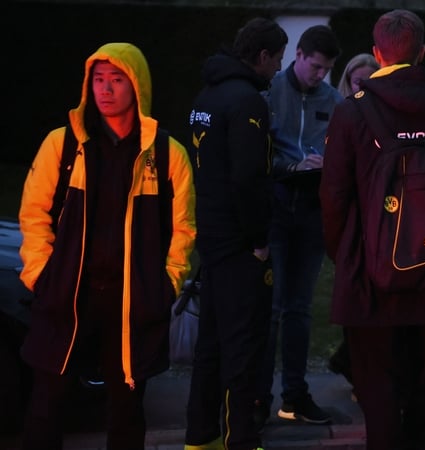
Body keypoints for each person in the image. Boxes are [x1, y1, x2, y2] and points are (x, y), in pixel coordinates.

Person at [319, 9, 425, 449]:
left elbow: (334, 199)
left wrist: (352, 257)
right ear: (421, 53)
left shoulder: (351, 114)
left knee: (377, 390)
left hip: (371, 282)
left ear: (377, 54)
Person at [17, 42, 196, 450]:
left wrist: (166, 284)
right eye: (98, 80)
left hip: (132, 303)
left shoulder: (168, 154)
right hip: (66, 295)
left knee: (127, 411)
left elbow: (184, 230)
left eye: (117, 80)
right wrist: (41, 275)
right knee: (46, 406)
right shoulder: (62, 146)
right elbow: (33, 213)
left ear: (137, 87)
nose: (106, 90)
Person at [184, 17, 287, 450]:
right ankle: (240, 439)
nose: (278, 70)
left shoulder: (208, 93)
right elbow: (248, 177)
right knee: (243, 345)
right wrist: (259, 240)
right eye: (278, 59)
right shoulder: (248, 101)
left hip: (210, 234)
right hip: (238, 241)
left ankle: (200, 437)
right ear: (262, 56)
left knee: (211, 342)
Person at [257, 24, 342, 425]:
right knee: (271, 308)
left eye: (326, 70)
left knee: (300, 308)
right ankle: (258, 395)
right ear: (300, 56)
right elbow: (256, 153)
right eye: (316, 67)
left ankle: (294, 395)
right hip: (276, 205)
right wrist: (291, 166)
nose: (320, 76)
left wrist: (326, 166)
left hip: (310, 208)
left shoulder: (333, 100)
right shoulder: (271, 92)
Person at [326, 51, 380, 386]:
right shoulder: (342, 114)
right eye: (356, 81)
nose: (361, 86)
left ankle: (355, 366)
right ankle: (353, 366)